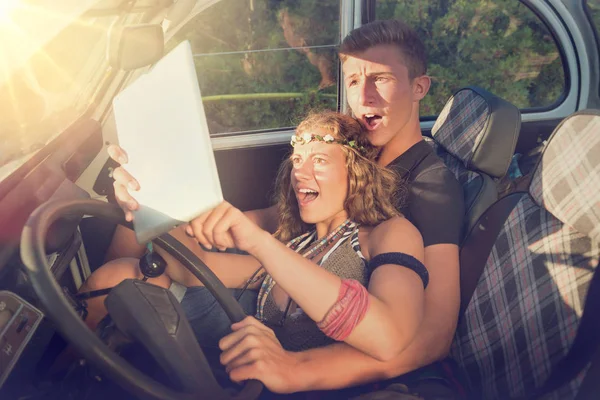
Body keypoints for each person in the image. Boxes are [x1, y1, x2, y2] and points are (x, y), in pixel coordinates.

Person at [104, 19, 464, 396]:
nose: (364, 96)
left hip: (316, 338)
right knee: (129, 242)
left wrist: (298, 369)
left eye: (382, 79)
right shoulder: (356, 152)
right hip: (273, 285)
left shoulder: (430, 188)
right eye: (354, 81)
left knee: (127, 278)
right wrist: (162, 196)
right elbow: (274, 219)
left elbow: (432, 337)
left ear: (419, 86)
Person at [80, 112, 428, 390]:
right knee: (118, 274)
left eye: (319, 160)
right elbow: (195, 267)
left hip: (288, 379)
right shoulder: (297, 236)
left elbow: (389, 337)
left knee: (120, 276)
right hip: (238, 346)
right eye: (296, 159)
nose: (300, 172)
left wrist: (260, 243)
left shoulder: (390, 233)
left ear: (357, 172)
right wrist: (148, 198)